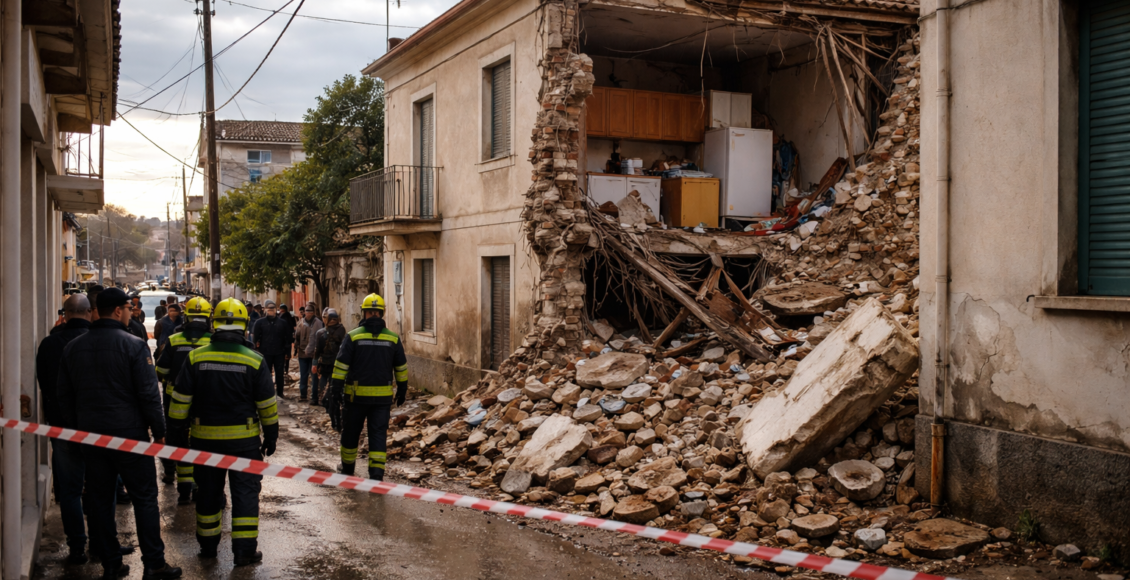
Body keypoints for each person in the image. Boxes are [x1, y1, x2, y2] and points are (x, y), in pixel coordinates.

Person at [55, 287, 183, 580]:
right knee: (145, 498)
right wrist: (160, 432)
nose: (131, 313)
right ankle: (154, 563)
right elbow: (149, 394)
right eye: (128, 308)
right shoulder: (134, 345)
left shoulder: (72, 348)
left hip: (91, 438)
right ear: (118, 311)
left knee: (100, 499)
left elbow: (64, 397)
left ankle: (111, 564)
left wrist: (77, 431)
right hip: (130, 436)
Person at [168, 298, 278, 567]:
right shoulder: (254, 359)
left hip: (204, 440)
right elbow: (266, 403)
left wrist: (177, 433)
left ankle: (208, 548)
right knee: (245, 496)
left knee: (207, 494)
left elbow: (180, 399)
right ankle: (244, 552)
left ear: (214, 324)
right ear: (244, 326)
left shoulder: (196, 356)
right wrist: (271, 435)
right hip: (244, 442)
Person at [36, 295, 93, 565]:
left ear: (65, 314)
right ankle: (103, 543)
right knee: (99, 487)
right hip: (97, 428)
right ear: (89, 313)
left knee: (69, 490)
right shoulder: (98, 341)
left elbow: (45, 385)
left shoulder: (49, 344)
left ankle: (77, 547)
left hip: (61, 427)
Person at [332, 294, 408, 480]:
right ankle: (376, 474)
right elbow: (401, 367)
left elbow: (340, 367)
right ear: (381, 314)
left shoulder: (353, 336)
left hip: (355, 398)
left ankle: (348, 469)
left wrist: (334, 392)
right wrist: (402, 390)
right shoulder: (393, 338)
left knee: (351, 433)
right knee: (378, 435)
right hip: (382, 400)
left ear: (363, 314)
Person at [154, 297, 213, 504]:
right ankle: (199, 486)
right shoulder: (213, 342)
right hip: (205, 404)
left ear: (185, 316)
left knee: (178, 441)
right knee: (201, 443)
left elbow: (161, 371)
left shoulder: (174, 339)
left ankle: (182, 487)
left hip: (175, 402)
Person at [252, 300, 293, 398]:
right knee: (266, 374)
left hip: (279, 352)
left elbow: (287, 338)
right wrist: (256, 351)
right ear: (265, 310)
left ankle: (280, 392)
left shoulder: (282, 323)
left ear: (276, 310)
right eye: (269, 309)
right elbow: (255, 338)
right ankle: (268, 392)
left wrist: (288, 352)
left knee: (279, 374)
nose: (271, 311)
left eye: (272, 309)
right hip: (265, 352)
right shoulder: (260, 323)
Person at [313, 309, 346, 428]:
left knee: (327, 391)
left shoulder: (322, 333)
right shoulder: (340, 331)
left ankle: (331, 412)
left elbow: (317, 351)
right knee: (333, 392)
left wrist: (314, 364)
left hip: (329, 366)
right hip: (335, 366)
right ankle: (335, 415)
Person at [293, 302, 323, 403]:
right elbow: (297, 336)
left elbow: (318, 338)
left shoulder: (318, 323)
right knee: (303, 374)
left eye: (310, 311)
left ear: (314, 312)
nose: (308, 313)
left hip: (314, 354)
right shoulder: (300, 323)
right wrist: (296, 348)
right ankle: (303, 395)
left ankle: (314, 397)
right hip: (302, 353)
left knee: (314, 376)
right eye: (307, 311)